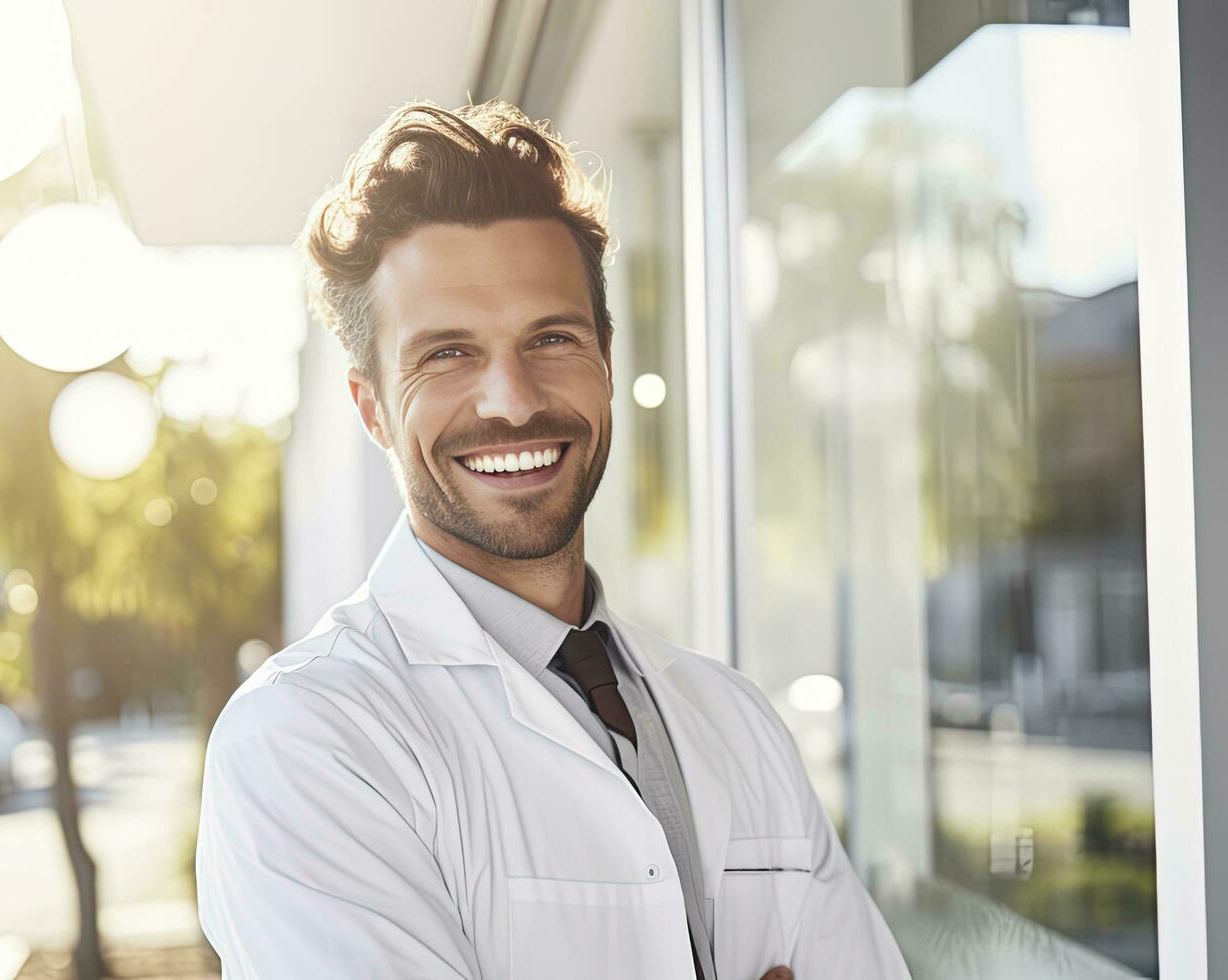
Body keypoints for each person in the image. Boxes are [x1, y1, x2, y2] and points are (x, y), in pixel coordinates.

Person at [195, 100, 909, 979]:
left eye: (553, 337)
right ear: (371, 406)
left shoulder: (735, 718)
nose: (513, 400)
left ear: (606, 360)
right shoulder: (310, 740)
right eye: (447, 355)